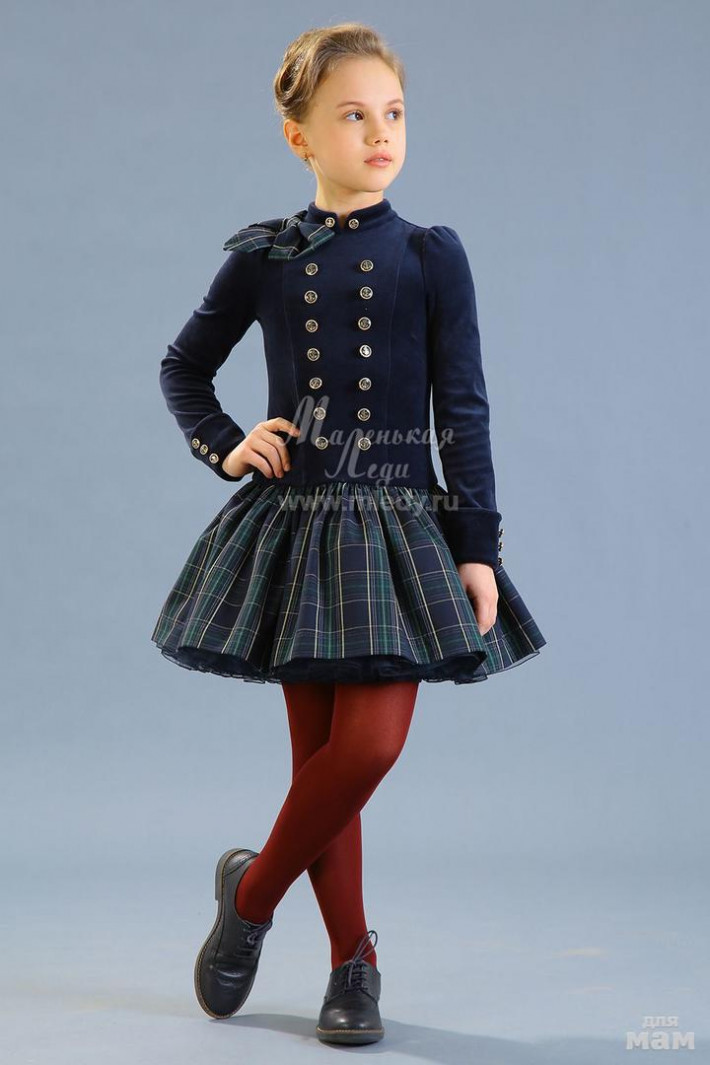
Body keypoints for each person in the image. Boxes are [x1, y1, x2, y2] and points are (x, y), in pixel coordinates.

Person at [150, 21, 546, 1047]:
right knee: (321, 760)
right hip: (297, 526)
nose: (379, 134)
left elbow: (463, 407)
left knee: (365, 748)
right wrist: (228, 446)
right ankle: (351, 964)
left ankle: (249, 897)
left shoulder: (430, 254)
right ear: (299, 137)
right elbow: (183, 368)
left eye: (393, 114)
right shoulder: (264, 257)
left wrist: (476, 544)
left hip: (400, 526)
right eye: (353, 116)